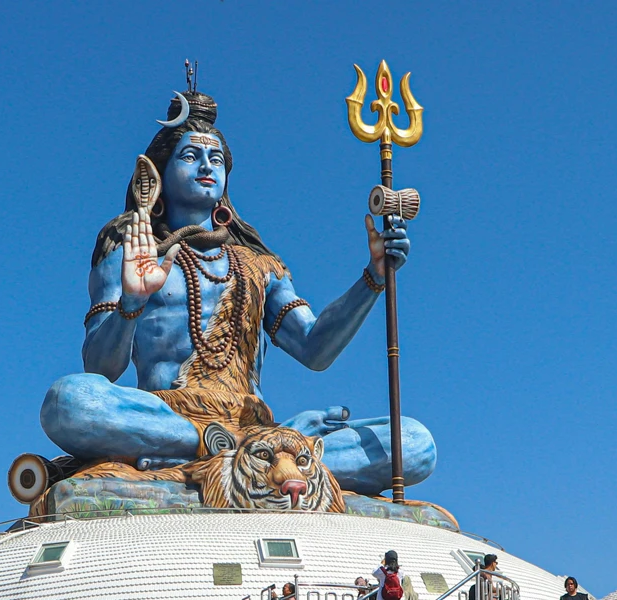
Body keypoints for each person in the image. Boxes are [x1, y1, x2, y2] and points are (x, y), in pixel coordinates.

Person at [41, 69, 435, 496]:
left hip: (254, 427)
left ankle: (245, 453)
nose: (207, 166)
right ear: (156, 172)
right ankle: (225, 451)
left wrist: (373, 277)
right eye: (190, 156)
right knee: (69, 401)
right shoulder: (130, 248)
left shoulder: (258, 264)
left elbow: (316, 349)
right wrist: (133, 302)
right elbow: (99, 368)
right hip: (166, 418)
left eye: (216, 160)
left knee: (413, 443)